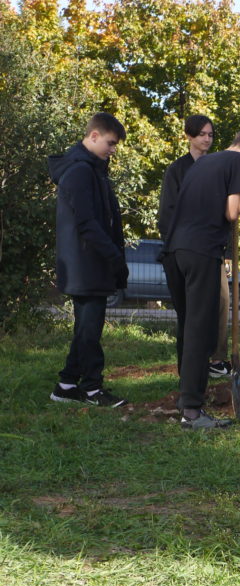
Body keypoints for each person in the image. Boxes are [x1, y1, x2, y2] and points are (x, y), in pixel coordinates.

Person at [161, 128, 240, 429]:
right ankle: (193, 413)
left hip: (174, 251)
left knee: (189, 325)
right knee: (202, 331)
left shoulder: (203, 163)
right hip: (201, 251)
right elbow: (232, 211)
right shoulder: (237, 163)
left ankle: (187, 400)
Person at [47, 112, 129, 407]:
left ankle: (67, 385)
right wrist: (114, 257)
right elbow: (87, 224)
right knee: (90, 330)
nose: (113, 149)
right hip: (86, 264)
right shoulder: (80, 171)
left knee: (86, 327)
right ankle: (93, 390)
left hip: (89, 263)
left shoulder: (92, 169)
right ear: (93, 136)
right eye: (110, 143)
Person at [156, 114, 231, 378]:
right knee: (189, 314)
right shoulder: (177, 170)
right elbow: (167, 214)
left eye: (210, 134)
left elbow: (227, 213)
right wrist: (174, 248)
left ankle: (217, 359)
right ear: (189, 136)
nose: (207, 139)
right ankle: (188, 369)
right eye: (202, 134)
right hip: (184, 252)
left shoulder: (217, 168)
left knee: (221, 301)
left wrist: (227, 252)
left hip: (213, 250)